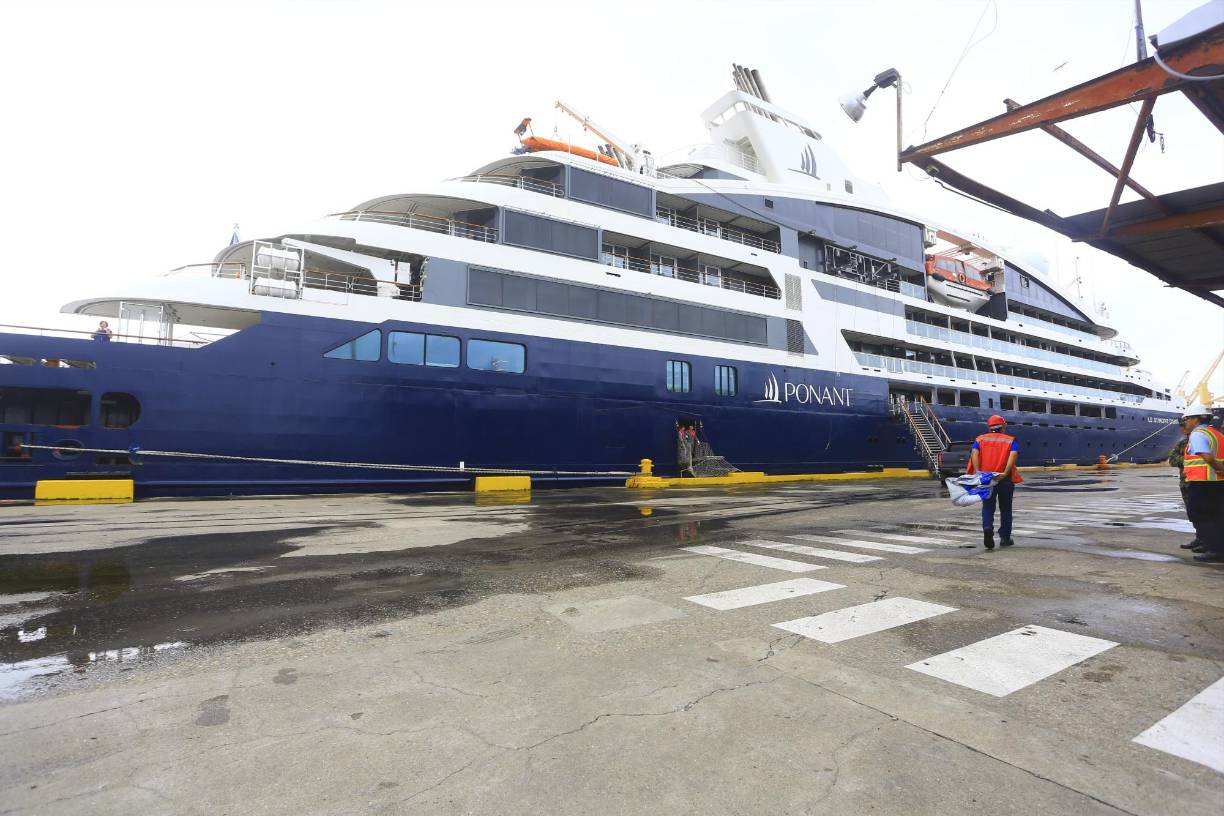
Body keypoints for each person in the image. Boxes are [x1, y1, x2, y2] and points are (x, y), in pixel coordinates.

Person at [967, 414, 1021, 550]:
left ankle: (987, 528)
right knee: (1006, 509)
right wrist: (1005, 473)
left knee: (988, 506)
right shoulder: (1010, 440)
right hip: (1005, 480)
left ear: (989, 427)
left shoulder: (980, 439)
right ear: (1002, 427)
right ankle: (1005, 538)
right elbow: (1013, 455)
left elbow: (974, 452)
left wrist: (978, 471)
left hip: (986, 479)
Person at [1180, 404, 1224, 564]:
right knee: (1217, 516)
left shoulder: (1198, 434)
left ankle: (1214, 550)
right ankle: (1214, 547)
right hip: (1217, 482)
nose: (1185, 422)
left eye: (1187, 419)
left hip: (1203, 482)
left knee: (1200, 515)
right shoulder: (1217, 434)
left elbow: (1208, 458)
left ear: (1196, 419)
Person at [1169, 425, 1202, 552]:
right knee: (1192, 512)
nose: (1183, 429)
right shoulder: (1182, 443)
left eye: (1185, 426)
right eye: (1182, 427)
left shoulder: (1200, 440)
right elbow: (1171, 459)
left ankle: (1207, 540)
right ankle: (1199, 538)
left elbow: (1203, 458)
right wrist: (1188, 460)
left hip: (1200, 481)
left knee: (1203, 512)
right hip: (1185, 482)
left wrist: (1187, 461)